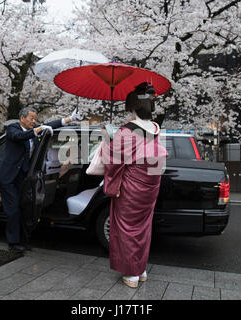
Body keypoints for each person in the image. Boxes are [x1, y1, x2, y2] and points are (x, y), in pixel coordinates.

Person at [102, 82, 168, 288]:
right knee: (142, 227)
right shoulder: (156, 129)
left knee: (127, 227)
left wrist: (107, 137)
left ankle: (131, 275)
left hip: (131, 187)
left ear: (133, 108)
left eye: (129, 110)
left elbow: (112, 160)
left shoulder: (126, 131)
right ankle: (141, 269)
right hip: (150, 186)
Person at [0, 107, 81, 253]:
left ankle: (23, 240)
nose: (34, 121)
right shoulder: (12, 128)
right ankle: (13, 243)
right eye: (31, 118)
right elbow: (18, 137)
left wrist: (69, 119)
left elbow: (51, 125)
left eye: (35, 119)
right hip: (7, 177)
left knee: (24, 208)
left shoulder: (33, 128)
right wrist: (39, 129)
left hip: (23, 176)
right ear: (22, 118)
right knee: (13, 210)